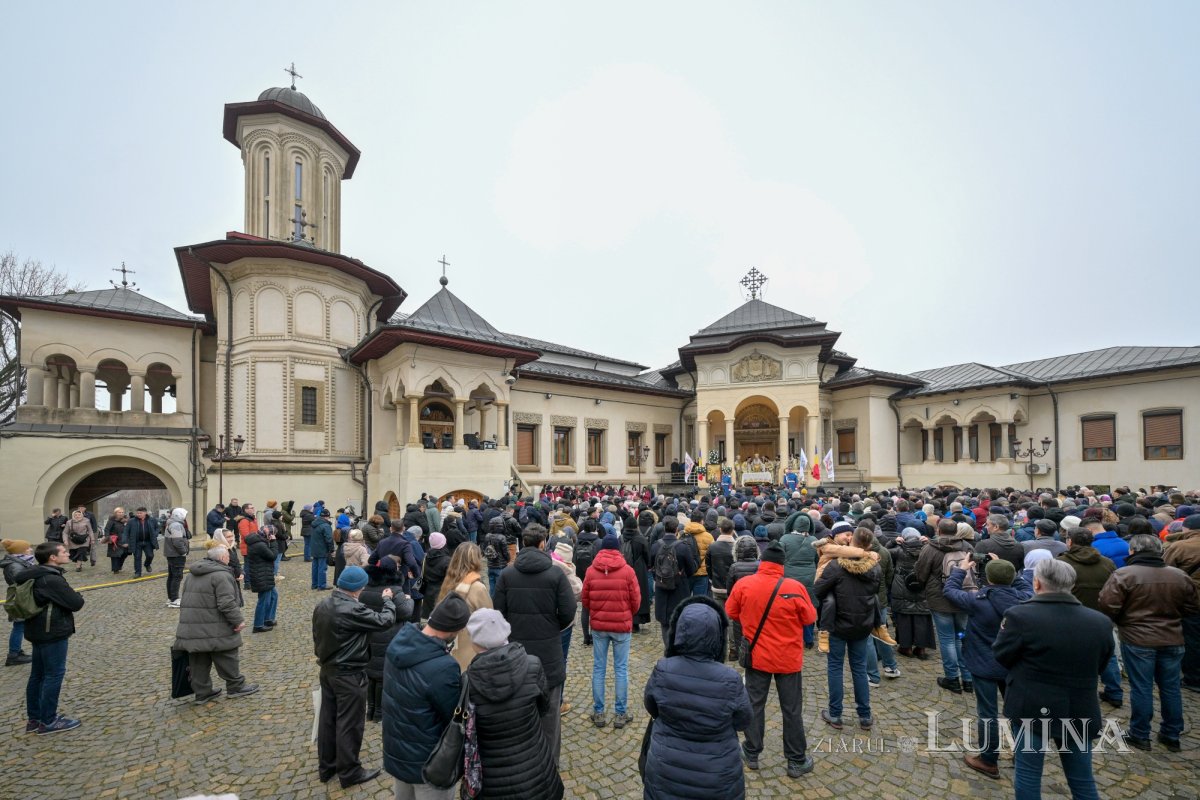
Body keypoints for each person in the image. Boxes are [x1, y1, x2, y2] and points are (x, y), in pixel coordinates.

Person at [993, 558, 1113, 800]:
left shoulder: (1020, 615)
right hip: (1080, 705)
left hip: (1032, 704)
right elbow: (1102, 663)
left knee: (1028, 773)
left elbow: (1002, 655)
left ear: (1036, 583)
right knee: (1082, 779)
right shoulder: (1100, 621)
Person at [1097, 534, 1200, 751]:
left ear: (1132, 551)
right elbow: (1192, 606)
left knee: (1142, 686)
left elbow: (1107, 605)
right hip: (1171, 636)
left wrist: (1126, 619)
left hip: (1137, 638)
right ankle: (1171, 733)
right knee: (1170, 687)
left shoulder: (1124, 574)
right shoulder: (1179, 575)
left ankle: (1140, 733)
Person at [643, 597, 753, 799]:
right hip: (717, 774)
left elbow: (651, 707)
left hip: (666, 769)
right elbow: (743, 720)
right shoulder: (730, 680)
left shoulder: (663, 670)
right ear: (719, 636)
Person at [726, 539, 818, 777]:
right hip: (788, 658)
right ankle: (796, 759)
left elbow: (731, 612)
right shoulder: (795, 587)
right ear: (782, 565)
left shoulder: (745, 584)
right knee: (792, 709)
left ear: (762, 562)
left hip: (757, 656)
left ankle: (752, 751)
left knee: (755, 705)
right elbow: (809, 618)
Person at [493, 524, 577, 765]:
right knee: (550, 715)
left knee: (517, 710)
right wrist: (552, 626)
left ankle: (521, 759)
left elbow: (498, 610)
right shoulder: (555, 573)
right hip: (548, 652)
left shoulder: (507, 575)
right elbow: (569, 611)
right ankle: (549, 763)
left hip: (516, 651)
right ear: (543, 543)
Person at [943, 555, 1032, 778]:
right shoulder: (1025, 599)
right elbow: (1026, 586)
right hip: (1013, 664)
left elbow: (950, 591)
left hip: (984, 663)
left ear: (988, 578)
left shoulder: (977, 601)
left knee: (988, 713)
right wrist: (1008, 568)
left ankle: (989, 759)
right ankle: (1022, 756)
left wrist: (961, 569)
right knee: (1016, 712)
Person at [312, 565, 398, 789]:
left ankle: (327, 766)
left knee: (328, 720)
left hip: (328, 670)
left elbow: (316, 637)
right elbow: (384, 621)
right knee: (349, 723)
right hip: (349, 673)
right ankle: (350, 771)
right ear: (359, 588)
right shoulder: (352, 609)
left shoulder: (322, 605)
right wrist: (388, 600)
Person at [465, 609, 564, 800]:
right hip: (536, 769)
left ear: (475, 641)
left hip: (492, 778)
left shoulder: (468, 681)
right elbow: (544, 708)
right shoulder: (533, 665)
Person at [382, 593, 471, 800]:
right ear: (452, 630)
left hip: (397, 751)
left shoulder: (399, 641)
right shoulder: (443, 667)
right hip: (428, 761)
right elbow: (452, 717)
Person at [813, 529, 881, 735]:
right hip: (862, 622)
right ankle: (865, 715)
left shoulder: (837, 565)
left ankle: (835, 713)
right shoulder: (875, 567)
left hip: (838, 622)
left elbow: (818, 589)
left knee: (835, 667)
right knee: (859, 668)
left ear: (852, 541)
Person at [172, 544, 258, 705]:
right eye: (227, 555)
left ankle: (202, 693)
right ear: (223, 558)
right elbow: (226, 602)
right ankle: (235, 686)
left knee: (198, 658)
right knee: (226, 654)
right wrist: (238, 620)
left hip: (192, 625)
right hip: (214, 625)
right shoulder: (221, 575)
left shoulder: (192, 574)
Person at [15, 542, 85, 733]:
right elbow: (76, 602)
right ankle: (48, 720)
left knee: (37, 676)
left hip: (37, 631)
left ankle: (35, 719)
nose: (68, 554)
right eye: (64, 552)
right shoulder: (51, 579)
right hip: (51, 631)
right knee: (53, 675)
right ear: (52, 557)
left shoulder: (36, 573)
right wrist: (77, 595)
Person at [581, 532, 641, 728]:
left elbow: (586, 600)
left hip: (599, 625)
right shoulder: (628, 571)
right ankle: (620, 713)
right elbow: (636, 601)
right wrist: (627, 613)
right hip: (621, 625)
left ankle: (599, 712)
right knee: (621, 669)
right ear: (618, 549)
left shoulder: (591, 571)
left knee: (599, 668)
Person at [915, 519, 975, 692]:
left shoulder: (931, 548)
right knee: (961, 636)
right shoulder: (967, 547)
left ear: (939, 531)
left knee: (948, 638)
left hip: (939, 598)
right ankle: (968, 679)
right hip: (963, 597)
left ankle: (952, 678)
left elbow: (921, 573)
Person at [359, 561, 413, 722]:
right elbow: (405, 612)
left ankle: (371, 710)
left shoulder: (366, 588)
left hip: (369, 636)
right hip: (389, 635)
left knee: (371, 674)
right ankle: (380, 713)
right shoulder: (394, 590)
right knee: (383, 675)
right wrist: (409, 599)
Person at [435, 542, 493, 672]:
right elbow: (490, 619)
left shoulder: (449, 581)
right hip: (471, 646)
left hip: (451, 644)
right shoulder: (477, 587)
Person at [1162, 513, 1200, 694]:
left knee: (1192, 639)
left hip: (1191, 600)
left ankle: (1194, 678)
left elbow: (1165, 572)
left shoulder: (1180, 546)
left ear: (1187, 529)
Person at [650, 518, 699, 648]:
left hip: (661, 587)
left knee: (664, 622)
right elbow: (691, 569)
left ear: (664, 529)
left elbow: (650, 565)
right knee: (679, 619)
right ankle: (678, 647)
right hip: (680, 589)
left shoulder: (655, 546)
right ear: (677, 529)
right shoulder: (683, 547)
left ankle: (668, 648)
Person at [725, 535, 761, 660]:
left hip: (740, 607)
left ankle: (742, 655)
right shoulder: (760, 565)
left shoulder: (734, 567)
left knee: (739, 632)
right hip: (756, 606)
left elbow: (730, 590)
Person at [1, 540, 35, 666]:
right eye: (28, 548)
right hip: (20, 599)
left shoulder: (19, 562)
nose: (30, 549)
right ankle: (13, 655)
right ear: (21, 551)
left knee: (19, 626)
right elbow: (22, 582)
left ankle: (16, 651)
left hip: (21, 597)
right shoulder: (15, 566)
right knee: (19, 626)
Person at [243, 524, 279, 633]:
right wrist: (273, 542)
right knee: (264, 600)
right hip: (261, 575)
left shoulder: (258, 541)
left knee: (273, 595)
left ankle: (268, 619)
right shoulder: (260, 545)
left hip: (264, 573)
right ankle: (258, 625)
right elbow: (272, 556)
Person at [418, 532, 451, 619]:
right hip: (442, 591)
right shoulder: (447, 560)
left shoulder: (425, 557)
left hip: (428, 591)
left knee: (430, 618)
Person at [162, 508, 190, 608]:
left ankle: (171, 598)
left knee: (172, 576)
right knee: (177, 576)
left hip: (171, 553)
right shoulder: (176, 525)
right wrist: (184, 552)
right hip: (176, 554)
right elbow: (177, 542)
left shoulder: (171, 523)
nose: (185, 516)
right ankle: (174, 599)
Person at [125, 507, 158, 577]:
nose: (138, 514)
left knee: (150, 555)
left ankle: (147, 564)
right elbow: (126, 531)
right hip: (136, 542)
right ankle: (137, 573)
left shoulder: (152, 520)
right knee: (137, 557)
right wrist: (125, 541)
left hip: (148, 542)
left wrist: (155, 534)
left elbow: (157, 528)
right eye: (137, 513)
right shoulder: (131, 521)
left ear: (145, 513)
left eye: (140, 513)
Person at [310, 508, 335, 590]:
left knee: (315, 567)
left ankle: (314, 584)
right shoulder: (326, 526)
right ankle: (322, 585)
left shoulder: (314, 524)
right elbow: (329, 539)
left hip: (314, 548)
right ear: (327, 516)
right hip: (322, 549)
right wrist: (331, 550)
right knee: (322, 568)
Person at [104, 506, 129, 573]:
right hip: (114, 539)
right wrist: (108, 538)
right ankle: (115, 569)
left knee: (125, 553)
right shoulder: (111, 520)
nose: (121, 513)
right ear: (115, 513)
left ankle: (119, 565)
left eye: (122, 512)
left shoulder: (126, 520)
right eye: (119, 512)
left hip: (124, 539)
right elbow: (107, 529)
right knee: (115, 555)